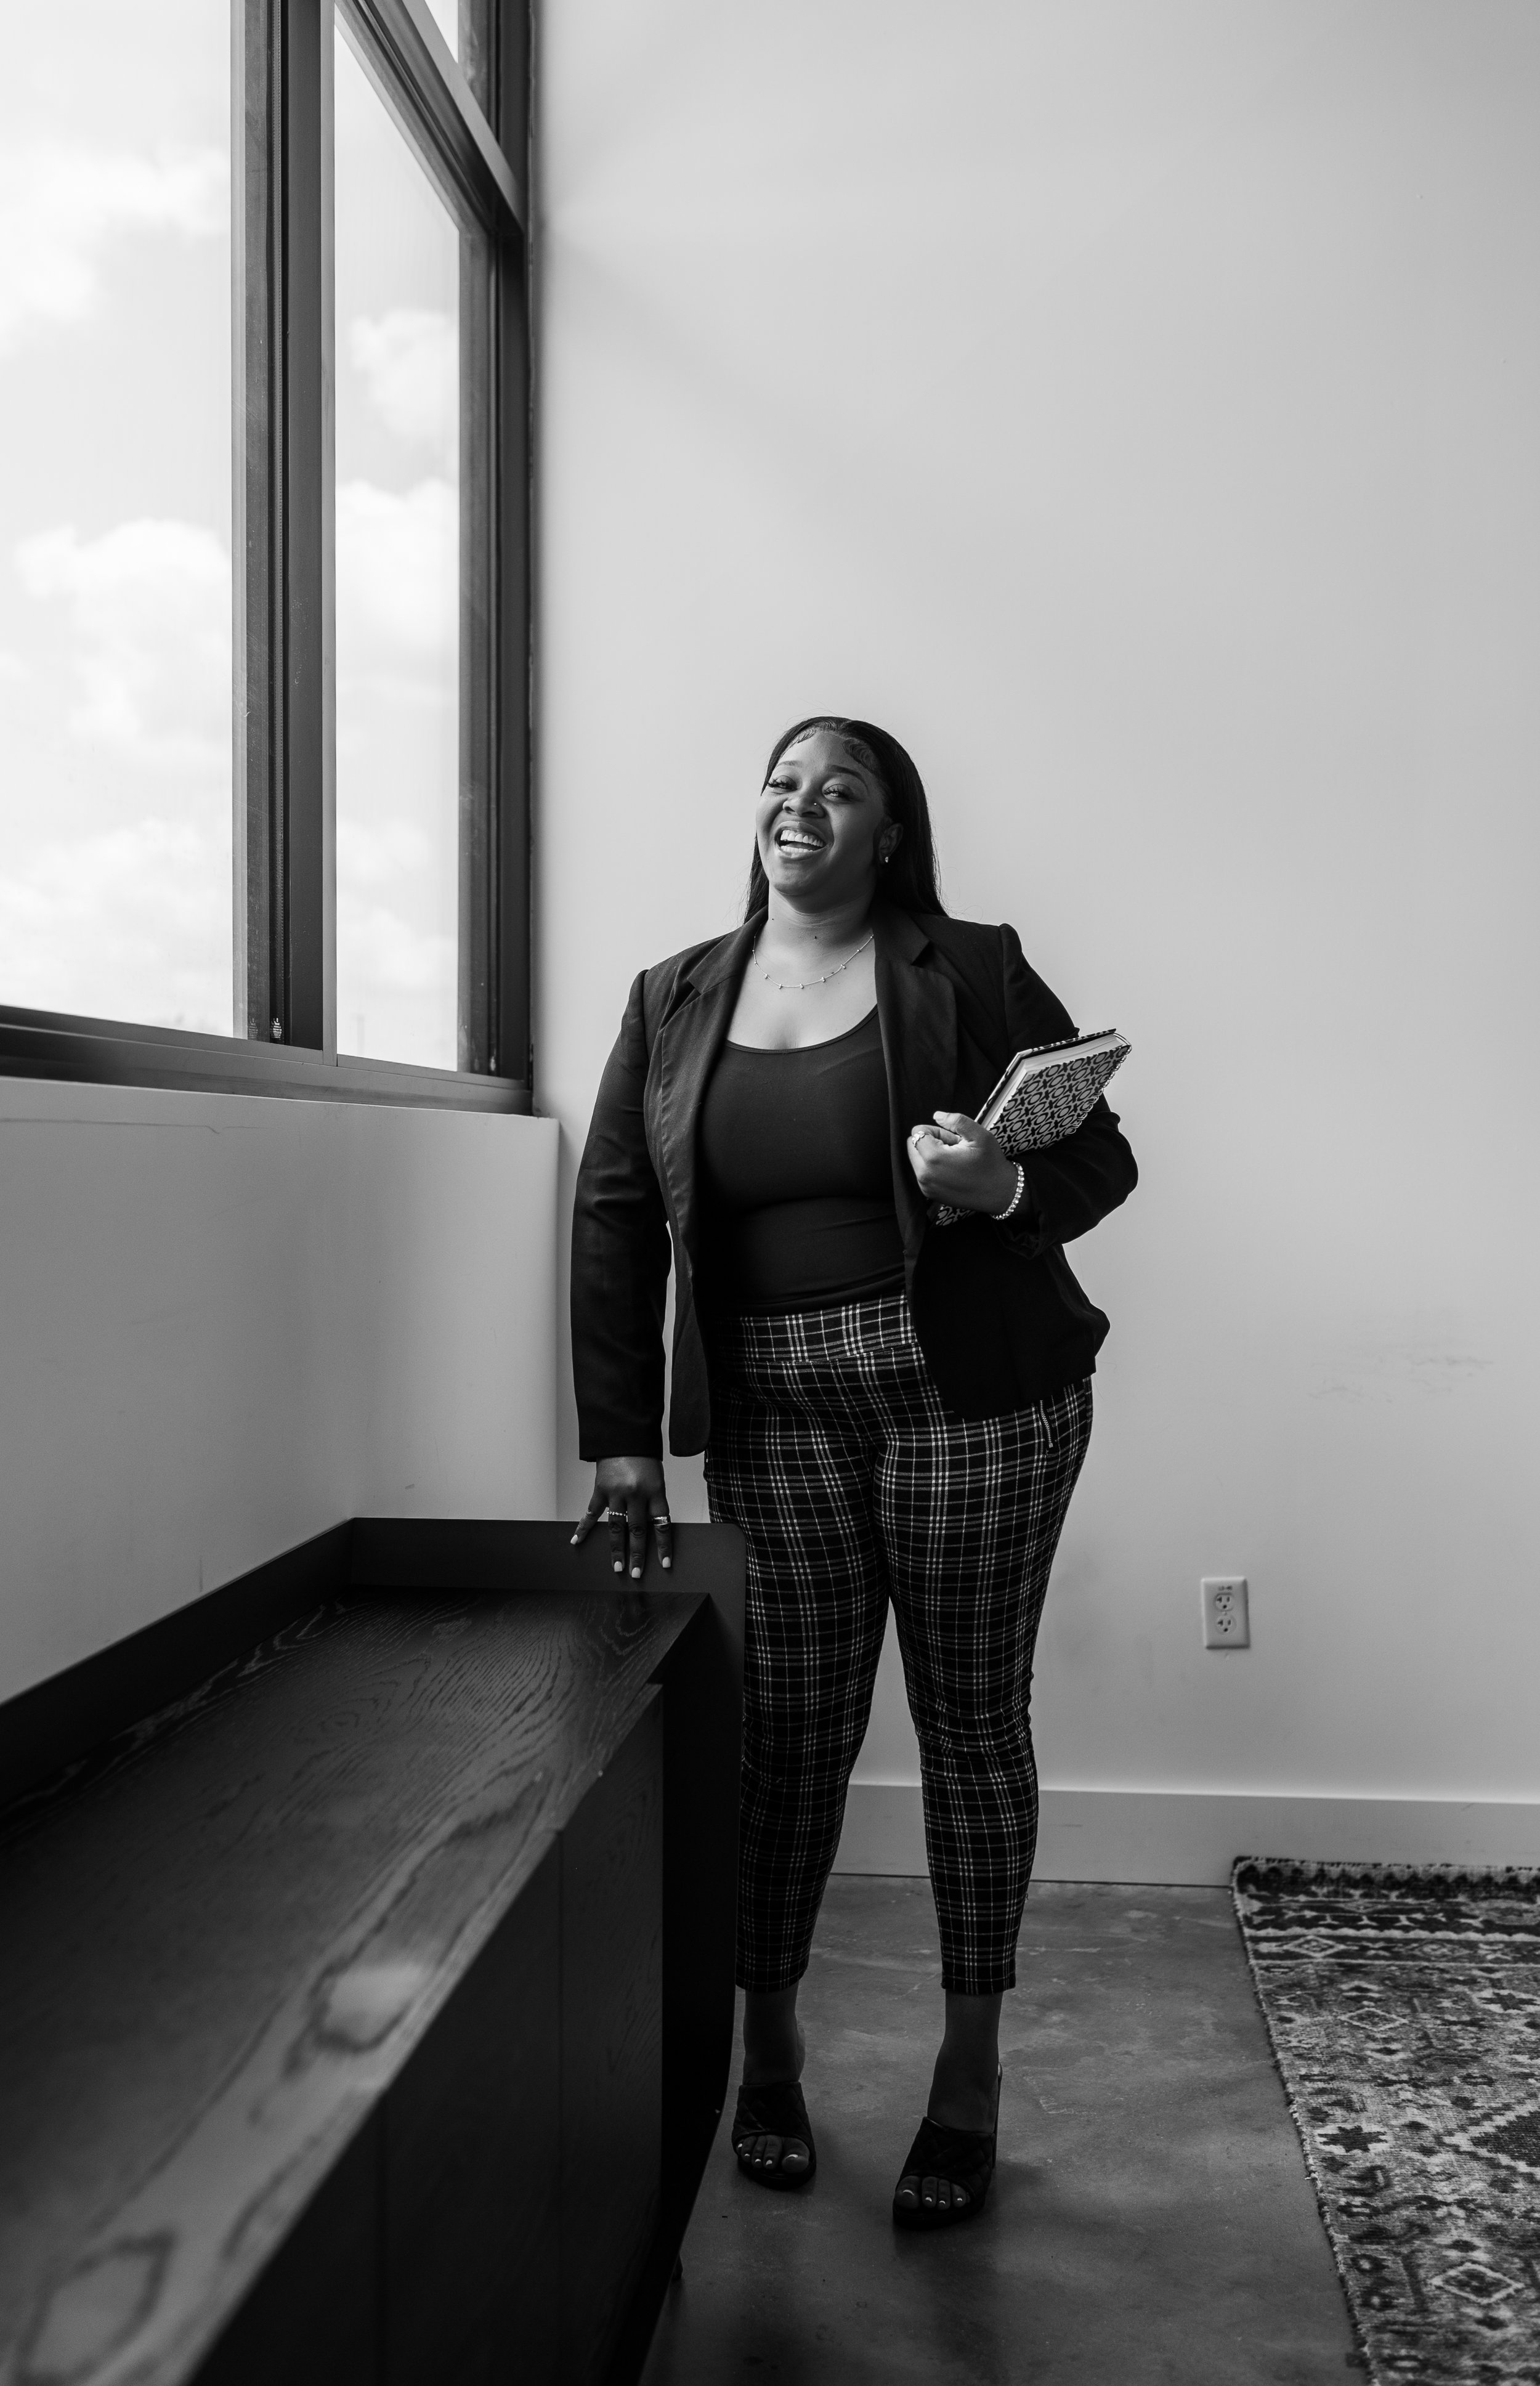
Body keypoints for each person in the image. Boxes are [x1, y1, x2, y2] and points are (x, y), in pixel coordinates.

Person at [570, 716, 1137, 2229]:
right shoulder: (675, 993)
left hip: (970, 1395)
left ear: (890, 829)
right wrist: (623, 1436)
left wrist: (1001, 1180)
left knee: (966, 1724)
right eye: (779, 783)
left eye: (837, 786)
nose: (797, 804)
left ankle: (966, 2079)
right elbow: (617, 1214)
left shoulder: (969, 962)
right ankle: (768, 2054)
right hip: (773, 1409)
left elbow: (1103, 1155)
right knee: (785, 1736)